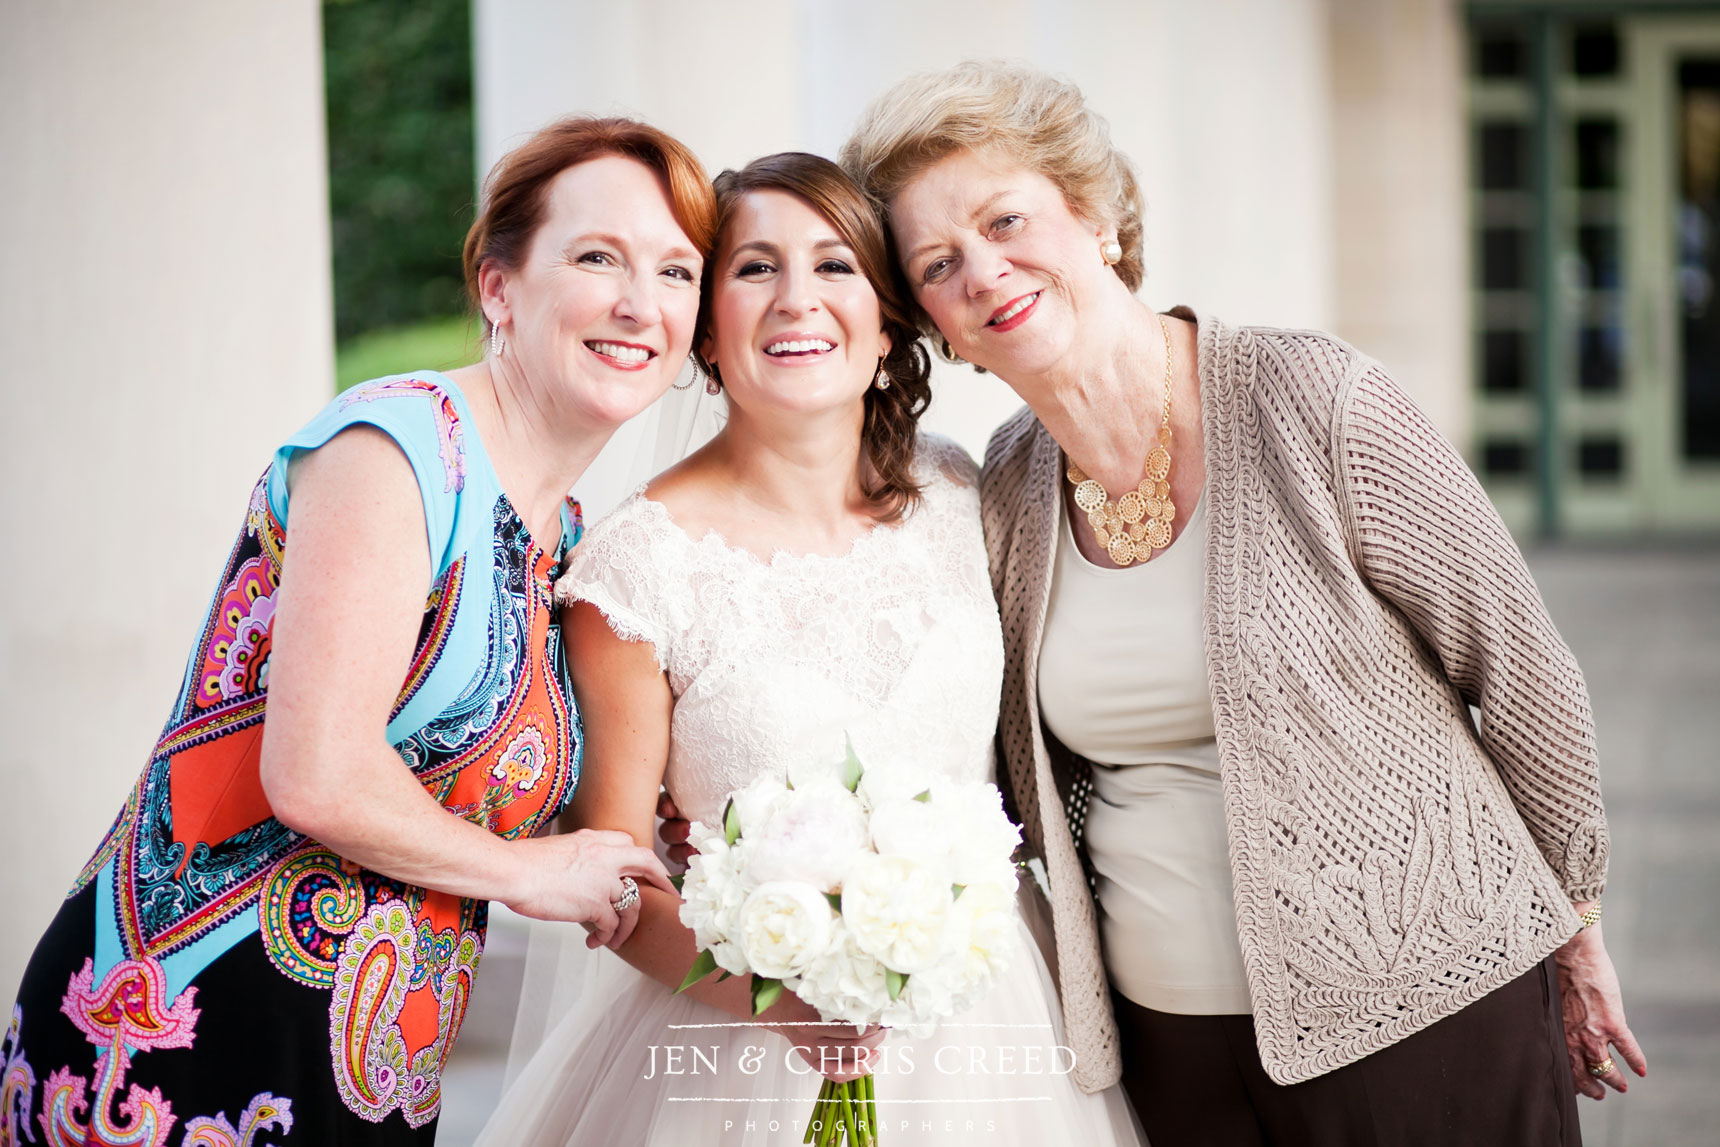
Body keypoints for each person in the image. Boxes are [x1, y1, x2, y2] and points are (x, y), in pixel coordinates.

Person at [816, 60, 1647, 1145]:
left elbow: (1525, 675)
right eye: (937, 262)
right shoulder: (1001, 493)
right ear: (935, 324)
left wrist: (1575, 927)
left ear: (1096, 217)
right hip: (1170, 1047)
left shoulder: (1314, 399)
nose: (983, 269)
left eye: (1005, 219)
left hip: (1426, 1005)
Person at [0, 116, 706, 1144]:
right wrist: (535, 875)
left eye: (676, 270)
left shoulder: (565, 534)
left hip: (376, 1055)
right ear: (499, 288)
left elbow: (478, 787)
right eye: (597, 256)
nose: (640, 302)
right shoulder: (397, 447)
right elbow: (319, 772)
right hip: (182, 1036)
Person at [474, 152, 1143, 1147]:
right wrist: (778, 997)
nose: (797, 301)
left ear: (885, 329)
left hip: (995, 1021)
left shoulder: (961, 494)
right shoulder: (634, 570)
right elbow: (614, 876)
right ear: (706, 333)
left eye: (836, 267)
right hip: (737, 1045)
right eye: (754, 269)